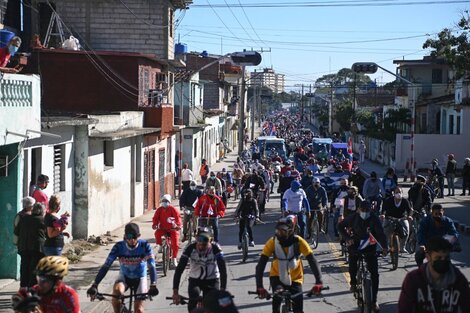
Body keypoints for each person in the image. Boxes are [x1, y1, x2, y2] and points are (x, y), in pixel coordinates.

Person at [255, 217, 323, 313]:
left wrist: (319, 282)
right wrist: (260, 286)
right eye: (277, 231)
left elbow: (312, 260)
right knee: (277, 299)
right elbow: (260, 265)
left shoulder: (299, 242)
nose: (279, 234)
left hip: (296, 278)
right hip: (277, 277)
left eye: (282, 231)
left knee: (298, 309)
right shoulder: (272, 242)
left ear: (291, 231)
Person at [87, 223, 158, 313]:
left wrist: (153, 284)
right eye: (129, 237)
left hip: (140, 278)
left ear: (139, 236)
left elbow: (151, 266)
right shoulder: (118, 247)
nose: (131, 240)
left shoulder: (145, 246)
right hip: (124, 277)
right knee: (116, 294)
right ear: (125, 236)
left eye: (135, 237)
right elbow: (106, 266)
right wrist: (95, 285)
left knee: (139, 310)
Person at [398, 236, 470, 313]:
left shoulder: (458, 279)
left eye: (446, 258)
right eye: (438, 258)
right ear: (428, 257)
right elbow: (404, 309)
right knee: (418, 256)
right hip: (427, 243)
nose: (443, 260)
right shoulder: (413, 279)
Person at [338, 201, 387, 312]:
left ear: (370, 210)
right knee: (352, 265)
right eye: (363, 210)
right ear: (359, 209)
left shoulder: (374, 219)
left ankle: (374, 301)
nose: (365, 212)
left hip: (370, 247)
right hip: (355, 246)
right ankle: (353, 283)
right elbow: (340, 226)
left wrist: (384, 247)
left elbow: (381, 234)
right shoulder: (353, 218)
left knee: (374, 274)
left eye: (367, 210)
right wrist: (347, 238)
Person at [172, 227, 227, 312]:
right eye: (199, 239)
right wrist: (175, 292)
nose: (201, 242)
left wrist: (222, 289)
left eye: (205, 239)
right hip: (195, 280)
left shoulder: (216, 248)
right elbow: (179, 270)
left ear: (211, 240)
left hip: (212, 279)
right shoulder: (190, 248)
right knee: (192, 301)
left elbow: (222, 269)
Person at [12, 256, 80, 313]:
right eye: (39, 278)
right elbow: (18, 298)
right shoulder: (35, 291)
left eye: (44, 280)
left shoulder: (68, 295)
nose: (40, 283)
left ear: (57, 282)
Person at [15, 203, 46, 287]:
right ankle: (32, 288)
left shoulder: (24, 218)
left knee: (24, 267)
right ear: (42, 211)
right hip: (36, 248)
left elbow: (16, 231)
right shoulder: (42, 220)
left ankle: (23, 287)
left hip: (23, 246)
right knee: (34, 268)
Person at [152, 194, 181, 267]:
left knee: (175, 244)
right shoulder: (159, 209)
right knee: (157, 234)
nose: (164, 202)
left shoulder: (173, 209)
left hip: (172, 229)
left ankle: (174, 258)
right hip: (162, 228)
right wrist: (155, 225)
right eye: (163, 201)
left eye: (166, 201)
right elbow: (155, 218)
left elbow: (178, 218)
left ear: (169, 202)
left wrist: (178, 225)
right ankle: (160, 245)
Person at [380, 187, 412, 253]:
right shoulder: (388, 200)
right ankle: (386, 247)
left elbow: (409, 210)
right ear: (393, 193)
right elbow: (383, 209)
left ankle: (402, 247)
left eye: (400, 192)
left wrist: (409, 216)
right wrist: (383, 215)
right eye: (396, 192)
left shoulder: (405, 201)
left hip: (401, 218)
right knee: (384, 230)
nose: (398, 194)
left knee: (406, 229)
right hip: (390, 218)